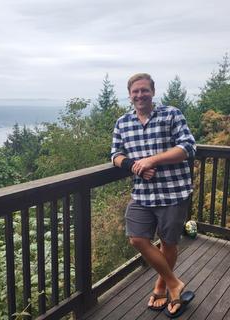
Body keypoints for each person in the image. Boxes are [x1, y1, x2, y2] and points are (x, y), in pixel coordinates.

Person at [111, 73, 196, 317]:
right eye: (135, 91)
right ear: (130, 95)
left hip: (173, 192)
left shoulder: (171, 114)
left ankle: (161, 285)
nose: (140, 95)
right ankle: (174, 282)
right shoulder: (123, 122)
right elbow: (115, 154)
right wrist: (134, 165)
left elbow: (188, 147)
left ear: (153, 91)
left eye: (144, 90)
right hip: (142, 194)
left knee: (168, 242)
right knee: (137, 238)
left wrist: (151, 160)